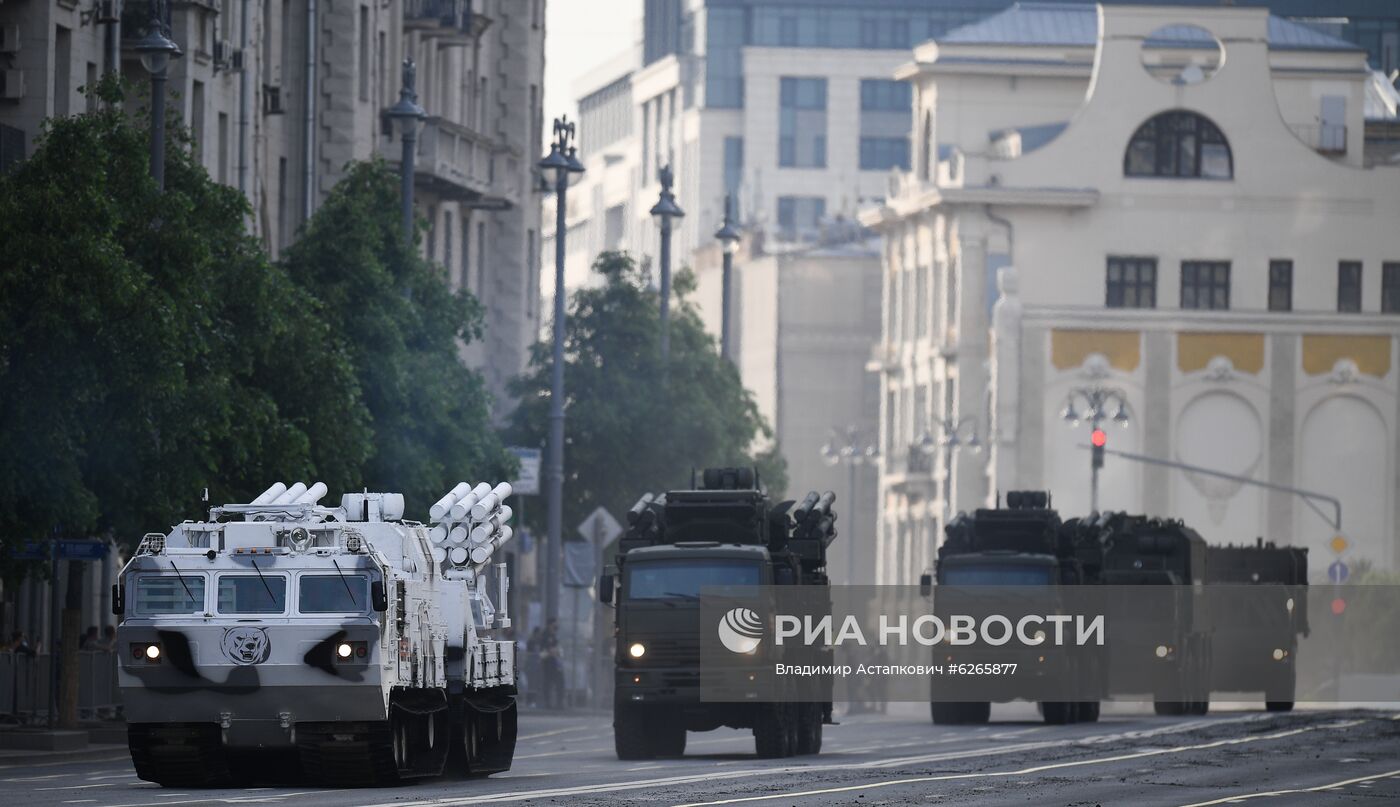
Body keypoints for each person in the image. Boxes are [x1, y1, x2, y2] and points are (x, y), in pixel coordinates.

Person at [541, 620, 565, 709]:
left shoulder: (554, 636)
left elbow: (558, 649)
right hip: (548, 664)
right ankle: (547, 703)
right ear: (549, 625)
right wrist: (551, 651)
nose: (555, 627)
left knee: (560, 683)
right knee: (547, 684)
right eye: (553, 625)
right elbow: (543, 651)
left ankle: (559, 703)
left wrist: (557, 652)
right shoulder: (545, 636)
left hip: (556, 664)